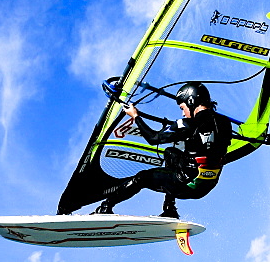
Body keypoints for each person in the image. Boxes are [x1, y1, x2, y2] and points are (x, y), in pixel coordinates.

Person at [94, 82, 233, 218]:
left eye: (182, 107)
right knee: (170, 153)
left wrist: (135, 116)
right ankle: (169, 209)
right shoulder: (225, 123)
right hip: (208, 184)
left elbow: (153, 138)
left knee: (141, 178)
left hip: (186, 184)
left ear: (191, 101)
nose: (183, 113)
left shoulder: (187, 124)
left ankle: (105, 207)